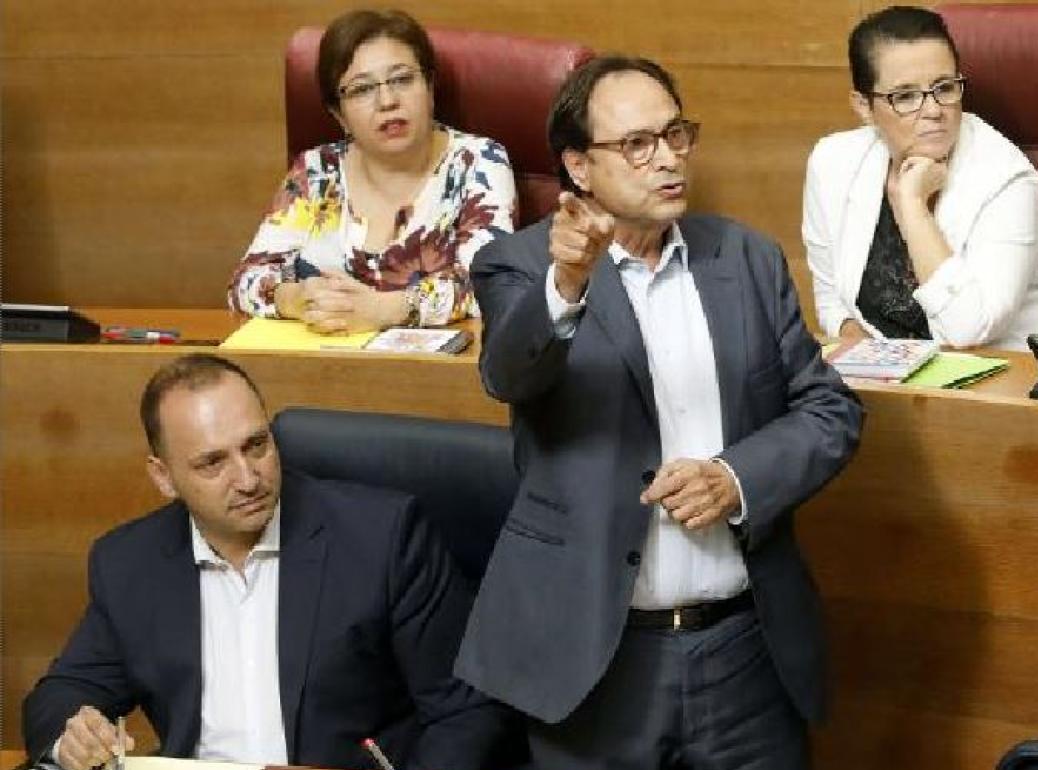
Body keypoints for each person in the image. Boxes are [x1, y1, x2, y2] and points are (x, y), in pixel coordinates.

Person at [454, 56, 864, 770]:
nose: (668, 159)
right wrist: (567, 283)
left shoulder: (747, 260)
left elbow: (828, 409)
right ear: (580, 167)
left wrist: (737, 479)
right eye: (637, 144)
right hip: (597, 659)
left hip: (744, 652)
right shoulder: (516, 266)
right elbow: (510, 373)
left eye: (676, 135)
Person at [23, 354, 505, 770]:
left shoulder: (383, 537)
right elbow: (63, 692)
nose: (248, 478)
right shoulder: (129, 562)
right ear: (164, 477)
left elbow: (465, 714)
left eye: (256, 445)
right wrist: (74, 735)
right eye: (213, 463)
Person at [803, 5, 1038, 361]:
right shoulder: (833, 163)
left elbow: (968, 330)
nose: (933, 110)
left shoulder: (1005, 177)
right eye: (906, 96)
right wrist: (870, 362)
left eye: (944, 88)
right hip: (915, 385)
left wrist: (913, 209)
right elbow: (832, 298)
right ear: (864, 106)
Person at [230, 9, 517, 333]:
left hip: (435, 374)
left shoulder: (477, 162)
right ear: (339, 115)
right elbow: (245, 282)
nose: (387, 100)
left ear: (430, 87)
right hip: (321, 363)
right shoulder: (316, 172)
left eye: (402, 79)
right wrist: (295, 298)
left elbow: (489, 282)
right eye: (362, 89)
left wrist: (388, 309)